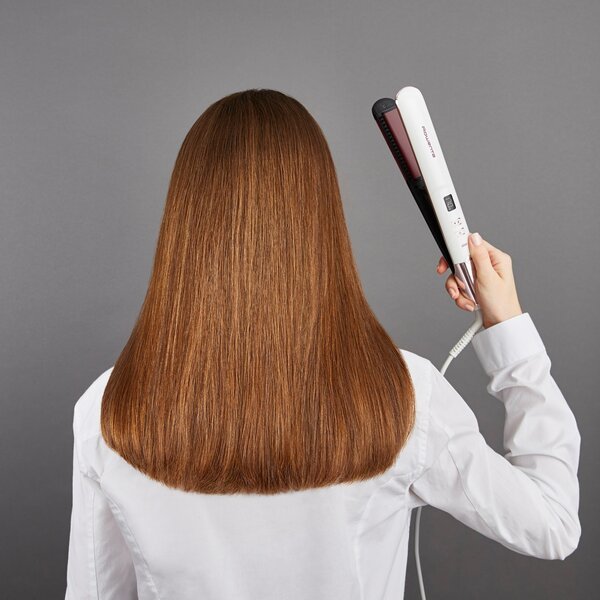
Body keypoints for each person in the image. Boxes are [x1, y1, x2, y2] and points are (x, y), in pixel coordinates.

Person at [65, 89, 580, 600]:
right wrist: (506, 324)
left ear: (186, 223)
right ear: (321, 218)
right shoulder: (403, 397)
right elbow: (552, 523)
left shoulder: (108, 410)